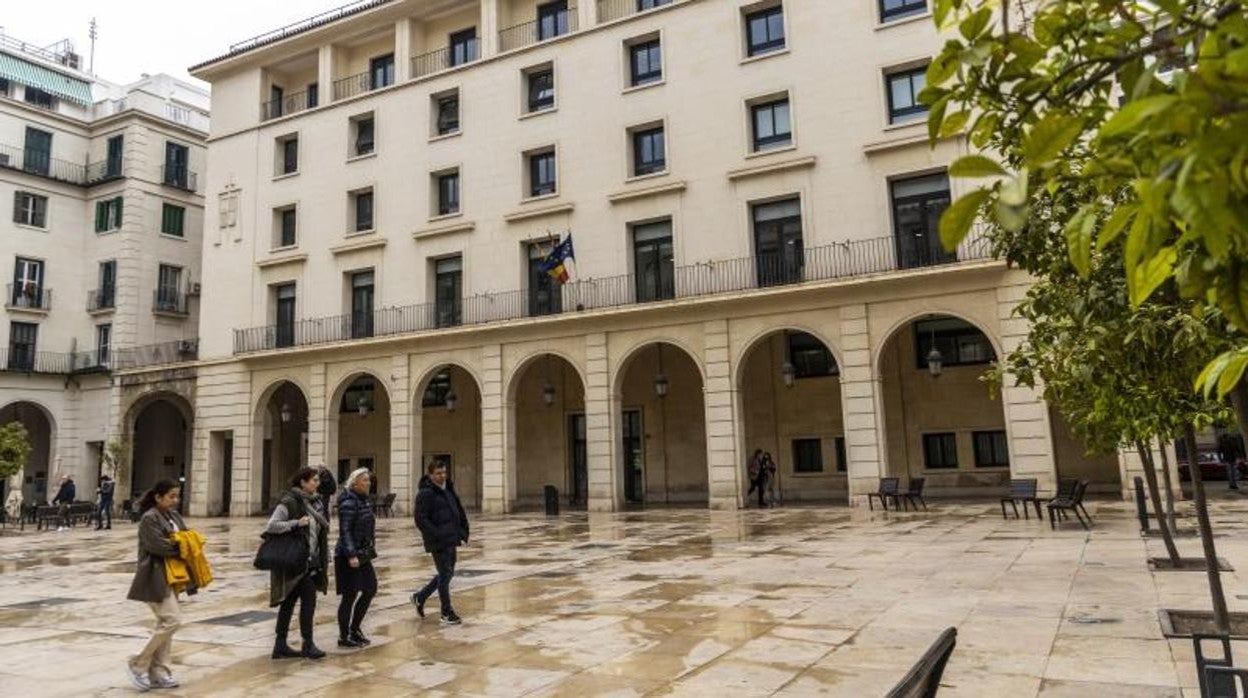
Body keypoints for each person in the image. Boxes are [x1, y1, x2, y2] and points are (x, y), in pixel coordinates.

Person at [125, 479, 186, 692]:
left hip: (173, 576)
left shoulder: (174, 516)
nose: (175, 500)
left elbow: (186, 536)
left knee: (165, 623)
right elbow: (158, 546)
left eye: (177, 496)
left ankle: (159, 671)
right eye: (171, 496)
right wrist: (184, 545)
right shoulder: (149, 518)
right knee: (172, 620)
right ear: (158, 497)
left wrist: (185, 542)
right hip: (153, 576)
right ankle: (138, 664)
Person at [266, 466, 328, 661]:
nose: (317, 484)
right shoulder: (289, 501)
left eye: (318, 480)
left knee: (289, 601)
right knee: (308, 600)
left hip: (309, 560)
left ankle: (280, 644)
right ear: (302, 482)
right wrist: (296, 523)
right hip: (294, 560)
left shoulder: (316, 503)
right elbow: (272, 526)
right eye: (313, 480)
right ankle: (307, 643)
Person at [412, 460, 470, 625]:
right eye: (438, 473)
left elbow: (458, 510)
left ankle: (420, 597)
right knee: (445, 573)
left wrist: (463, 530)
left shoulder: (448, 489)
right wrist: (437, 534)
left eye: (444, 472)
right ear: (430, 475)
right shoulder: (426, 493)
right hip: (438, 541)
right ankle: (446, 611)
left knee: (447, 573)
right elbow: (420, 519)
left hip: (451, 537)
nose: (442, 476)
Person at [335, 468, 377, 648]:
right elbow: (345, 531)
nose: (368, 483)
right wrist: (351, 554)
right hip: (348, 555)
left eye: (369, 480)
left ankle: (355, 629)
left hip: (362, 554)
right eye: (365, 480)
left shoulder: (363, 501)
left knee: (370, 589)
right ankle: (344, 636)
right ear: (354, 483)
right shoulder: (348, 502)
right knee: (349, 596)